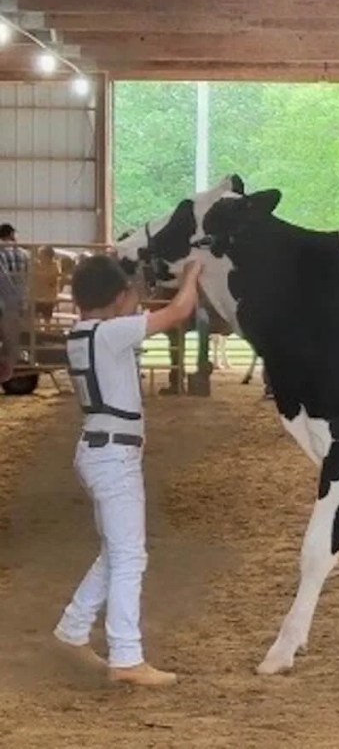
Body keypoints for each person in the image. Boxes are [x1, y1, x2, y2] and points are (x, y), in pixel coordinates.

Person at [53, 254, 203, 685]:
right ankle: (126, 655)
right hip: (114, 455)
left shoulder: (84, 334)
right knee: (129, 556)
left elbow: (141, 313)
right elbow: (178, 312)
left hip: (101, 450)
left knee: (115, 552)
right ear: (119, 298)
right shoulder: (111, 334)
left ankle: (74, 628)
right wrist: (191, 274)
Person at [32, 245, 62, 322]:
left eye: (42, 255)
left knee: (47, 319)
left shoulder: (54, 266)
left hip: (48, 298)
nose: (40, 257)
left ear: (48, 256)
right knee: (35, 319)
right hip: (36, 297)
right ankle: (37, 333)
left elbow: (53, 281)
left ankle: (46, 332)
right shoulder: (35, 265)